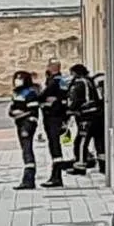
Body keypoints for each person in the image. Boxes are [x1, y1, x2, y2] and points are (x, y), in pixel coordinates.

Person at [66, 64, 105, 175]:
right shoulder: (91, 81)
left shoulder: (79, 83)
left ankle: (80, 165)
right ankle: (103, 165)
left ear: (75, 72)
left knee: (82, 141)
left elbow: (75, 99)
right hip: (98, 115)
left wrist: (70, 110)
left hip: (86, 116)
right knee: (99, 141)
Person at [38, 58, 70, 187]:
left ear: (52, 67)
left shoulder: (55, 82)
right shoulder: (61, 81)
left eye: (49, 66)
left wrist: (45, 100)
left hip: (53, 117)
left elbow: (43, 96)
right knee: (55, 146)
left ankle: (56, 176)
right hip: (57, 117)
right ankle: (56, 175)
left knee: (54, 146)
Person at [8, 70, 41, 190]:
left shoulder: (30, 93)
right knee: (24, 150)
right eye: (16, 78)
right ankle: (27, 178)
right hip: (19, 123)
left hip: (28, 123)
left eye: (20, 78)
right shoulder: (16, 93)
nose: (18, 80)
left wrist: (21, 115)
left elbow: (33, 111)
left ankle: (29, 179)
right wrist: (13, 113)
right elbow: (12, 108)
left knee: (27, 149)